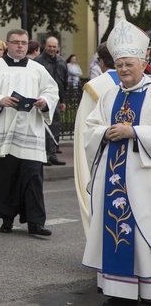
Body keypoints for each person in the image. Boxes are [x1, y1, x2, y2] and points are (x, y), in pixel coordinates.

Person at [83, 20, 151, 304]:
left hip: (143, 181)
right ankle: (117, 290)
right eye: (120, 64)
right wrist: (105, 132)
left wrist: (133, 131)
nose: (124, 69)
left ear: (143, 62)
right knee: (114, 230)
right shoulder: (110, 94)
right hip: (112, 179)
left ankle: (146, 289)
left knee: (141, 229)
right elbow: (90, 128)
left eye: (129, 64)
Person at [0, 28, 59, 237]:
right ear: (7, 44)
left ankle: (36, 223)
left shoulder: (37, 69)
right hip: (1, 127)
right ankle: (7, 218)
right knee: (6, 176)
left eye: (23, 42)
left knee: (31, 176)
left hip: (29, 130)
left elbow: (51, 90)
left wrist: (44, 101)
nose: (20, 46)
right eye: (16, 42)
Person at [73, 43, 115, 236]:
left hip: (104, 157)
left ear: (101, 62)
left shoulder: (95, 86)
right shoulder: (144, 84)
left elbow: (84, 128)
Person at [34, 36, 69, 166]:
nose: (52, 49)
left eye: (54, 46)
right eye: (50, 46)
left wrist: (63, 100)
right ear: (45, 46)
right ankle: (44, 154)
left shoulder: (61, 61)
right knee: (43, 126)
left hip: (57, 100)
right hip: (42, 99)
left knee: (55, 126)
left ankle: (52, 154)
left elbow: (64, 82)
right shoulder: (38, 61)